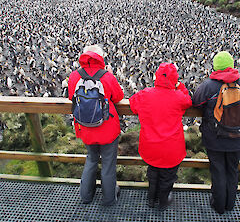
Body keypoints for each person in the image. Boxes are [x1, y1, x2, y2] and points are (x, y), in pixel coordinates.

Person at [192, 51, 240, 214]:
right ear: (231, 65)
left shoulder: (208, 85)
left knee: (218, 170)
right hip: (238, 136)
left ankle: (218, 205)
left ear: (215, 66)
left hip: (215, 138)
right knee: (232, 170)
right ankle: (230, 204)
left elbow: (196, 103)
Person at [129, 63, 192, 210]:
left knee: (153, 173)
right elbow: (188, 101)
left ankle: (151, 199)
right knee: (167, 177)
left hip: (150, 146)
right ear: (174, 79)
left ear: (156, 77)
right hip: (171, 148)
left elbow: (132, 104)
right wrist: (179, 86)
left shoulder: (145, 94)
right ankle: (163, 202)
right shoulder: (178, 97)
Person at [68, 45, 124, 205]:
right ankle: (108, 199)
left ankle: (86, 196)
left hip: (85, 128)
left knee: (91, 159)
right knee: (107, 164)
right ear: (100, 58)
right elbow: (119, 96)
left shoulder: (74, 76)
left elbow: (70, 97)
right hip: (107, 130)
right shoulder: (106, 76)